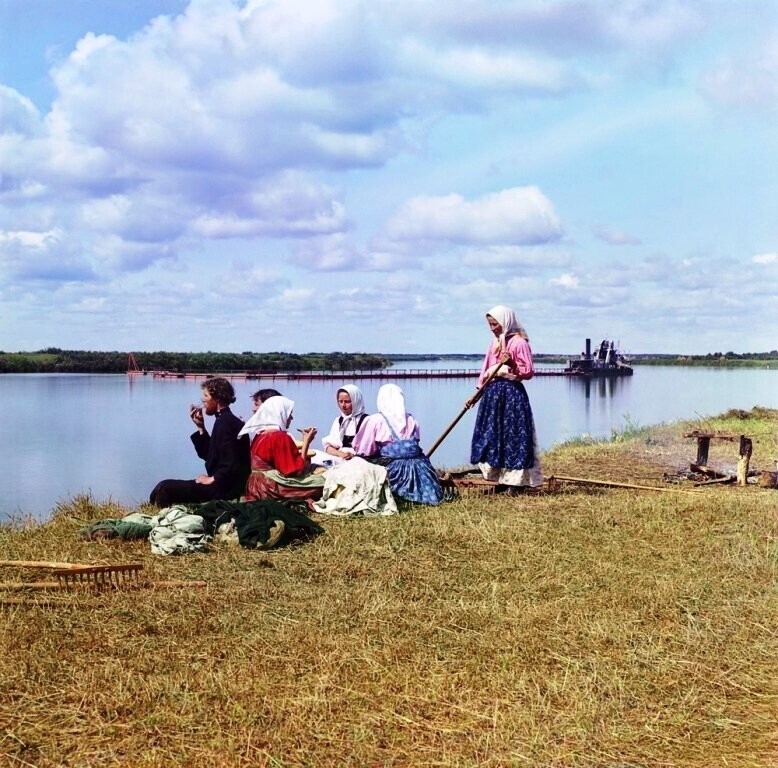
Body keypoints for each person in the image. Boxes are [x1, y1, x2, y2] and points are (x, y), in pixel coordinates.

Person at [468, 305, 542, 489]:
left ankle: (515, 483)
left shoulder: (519, 343)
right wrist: (476, 395)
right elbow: (485, 372)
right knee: (493, 436)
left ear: (505, 322)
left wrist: (512, 363)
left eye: (495, 324)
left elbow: (528, 371)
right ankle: (499, 479)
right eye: (490, 325)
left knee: (513, 437)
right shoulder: (494, 344)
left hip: (511, 397)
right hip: (492, 396)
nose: (492, 329)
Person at [149, 377, 250, 508]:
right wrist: (201, 427)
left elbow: (232, 462)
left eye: (206, 395)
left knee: (165, 487)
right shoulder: (225, 420)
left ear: (217, 398)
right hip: (225, 485)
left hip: (225, 489)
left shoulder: (226, 423)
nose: (202, 399)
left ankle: (163, 519)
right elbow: (210, 455)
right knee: (165, 486)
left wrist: (212, 479)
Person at [352, 383, 443, 505]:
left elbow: (364, 450)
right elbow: (415, 442)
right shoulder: (411, 419)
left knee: (358, 461)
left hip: (393, 469)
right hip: (420, 466)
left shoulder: (375, 420)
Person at [239, 395, 325, 504]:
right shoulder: (279, 437)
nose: (291, 418)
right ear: (280, 413)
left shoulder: (260, 434)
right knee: (323, 482)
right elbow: (296, 472)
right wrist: (306, 442)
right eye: (289, 414)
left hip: (255, 485)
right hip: (269, 487)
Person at [321, 385, 367, 462]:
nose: (343, 405)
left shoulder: (366, 421)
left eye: (347, 402)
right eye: (340, 401)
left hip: (359, 460)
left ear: (356, 401)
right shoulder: (339, 421)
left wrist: (353, 455)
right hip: (340, 457)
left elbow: (370, 449)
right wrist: (340, 454)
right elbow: (328, 447)